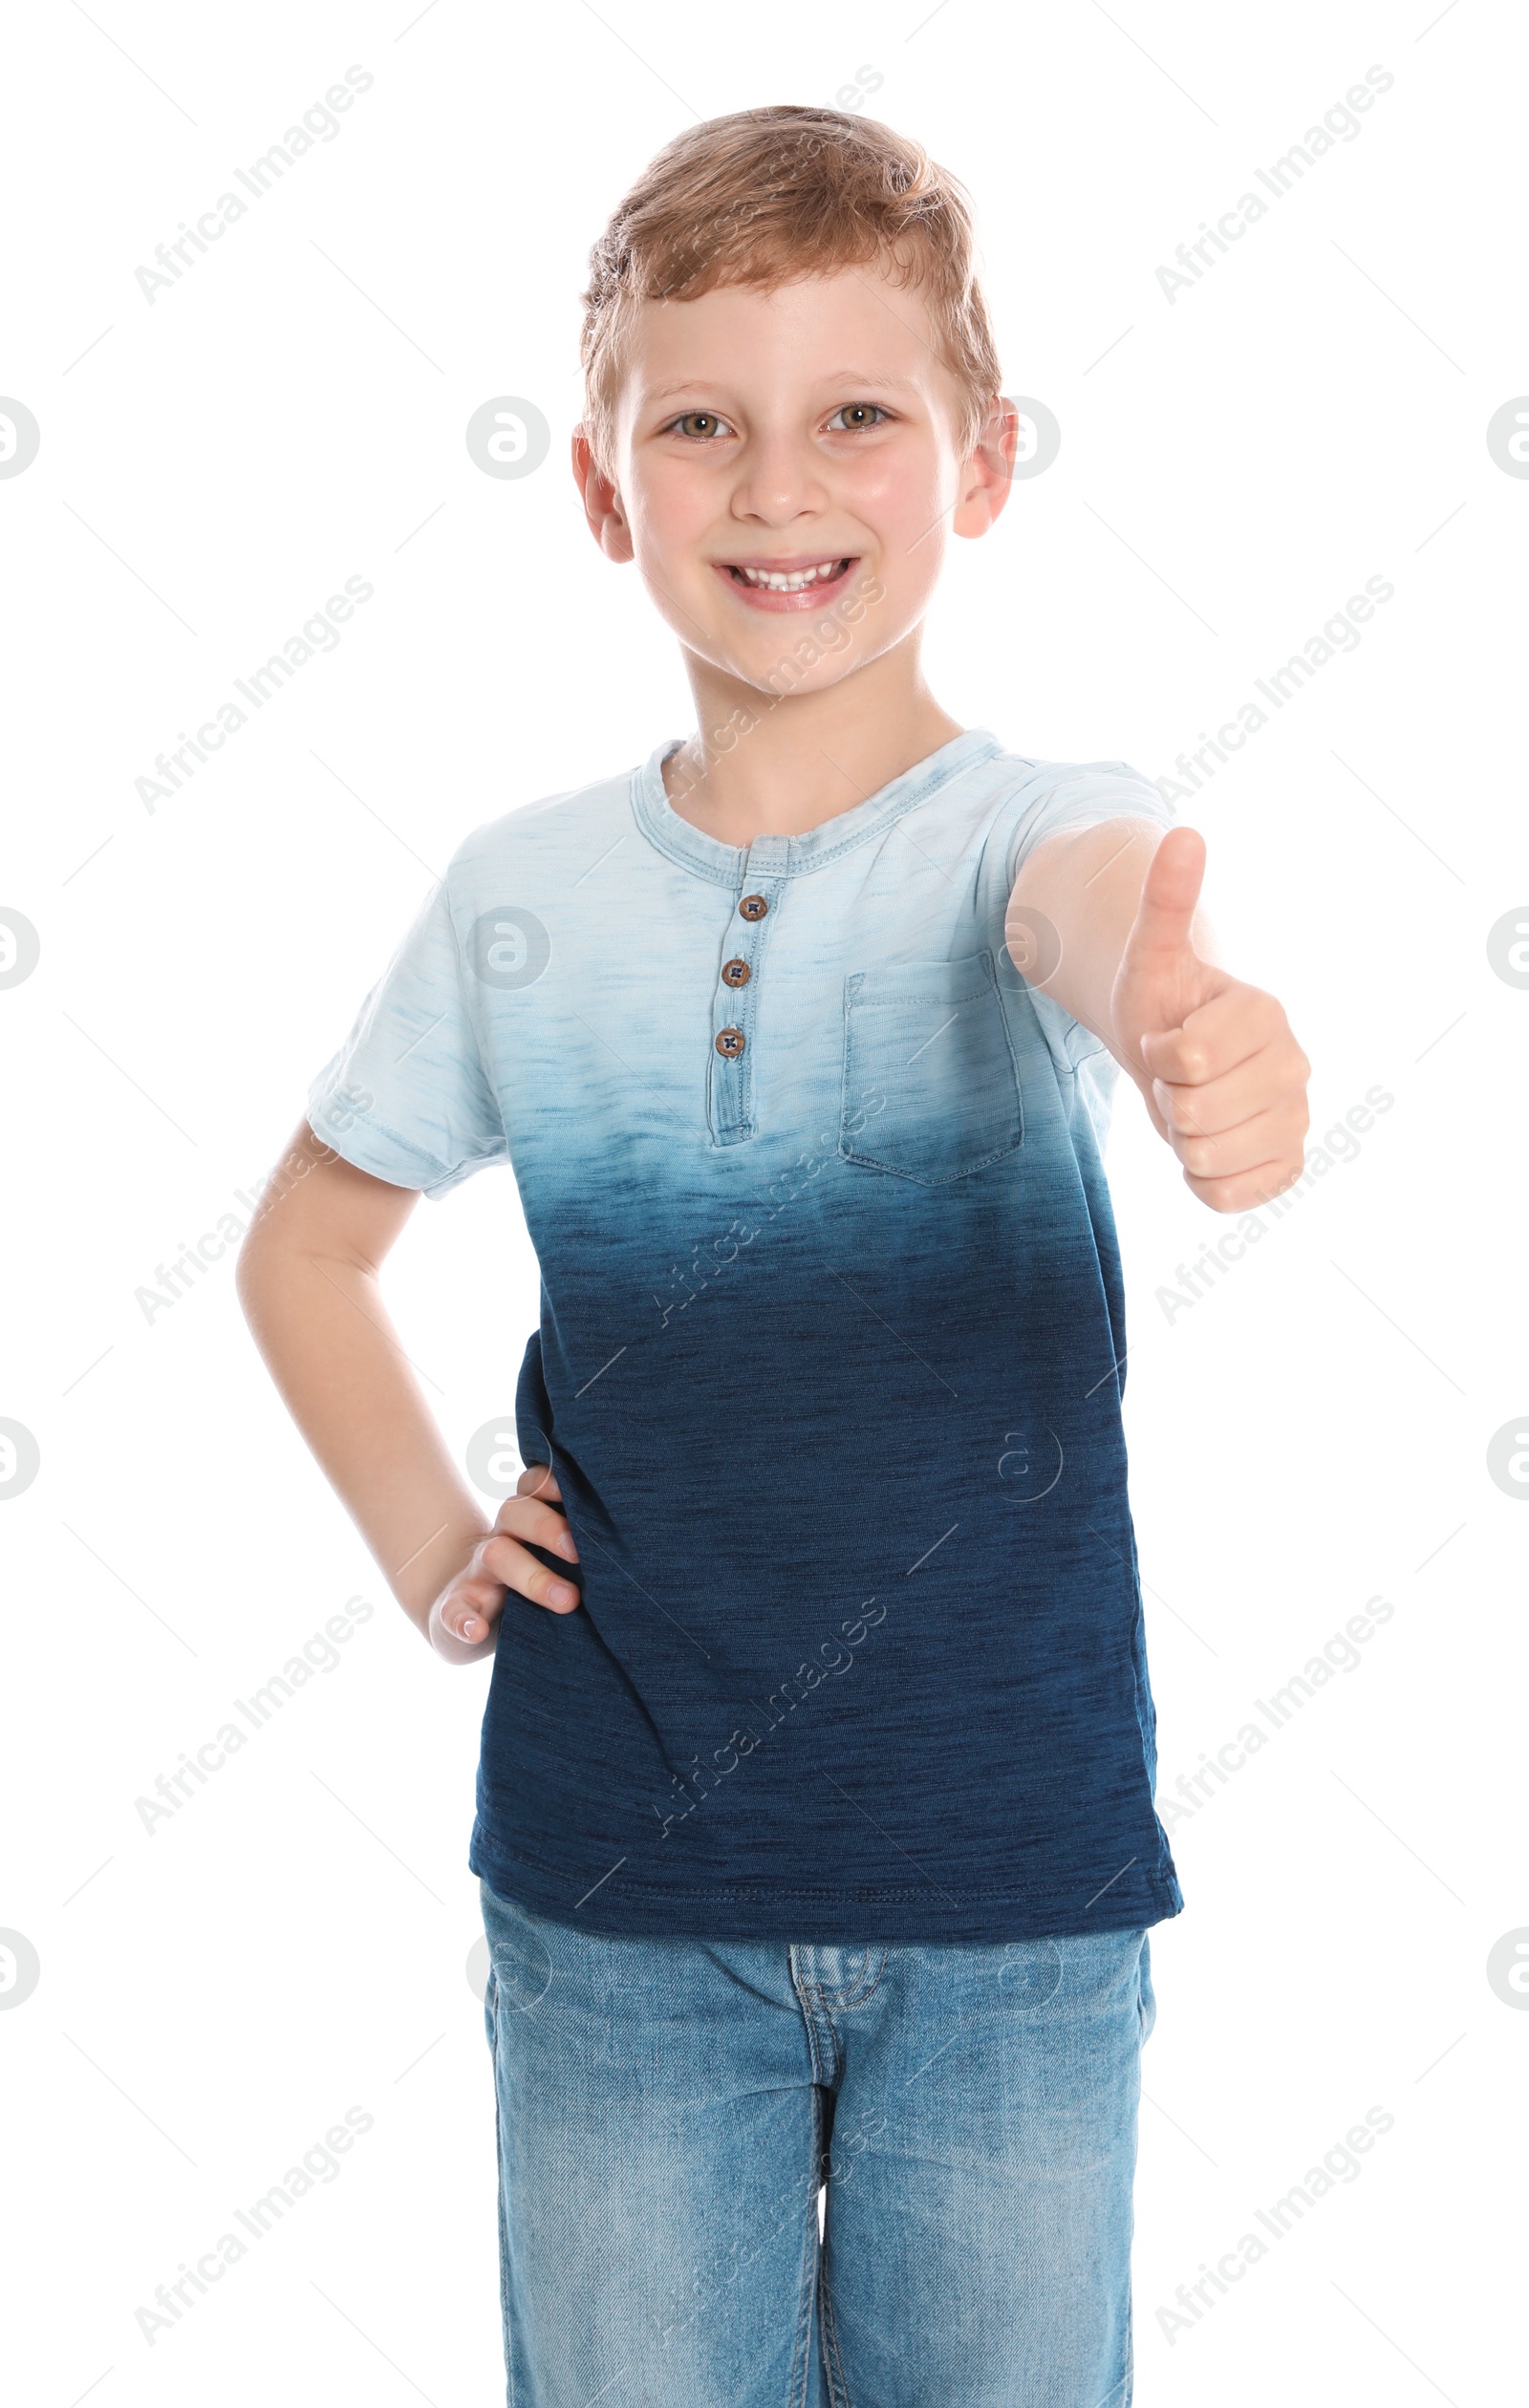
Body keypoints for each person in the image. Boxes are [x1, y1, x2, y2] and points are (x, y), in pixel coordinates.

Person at [237, 104, 1310, 2408]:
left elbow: (1103, 911)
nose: (778, 486)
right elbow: (307, 1253)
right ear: (610, 489)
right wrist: (438, 1543)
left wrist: (1191, 1020)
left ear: (982, 460)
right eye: (700, 426)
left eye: (856, 417)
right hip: (617, 1902)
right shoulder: (518, 896)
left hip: (1009, 1893)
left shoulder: (1032, 829)